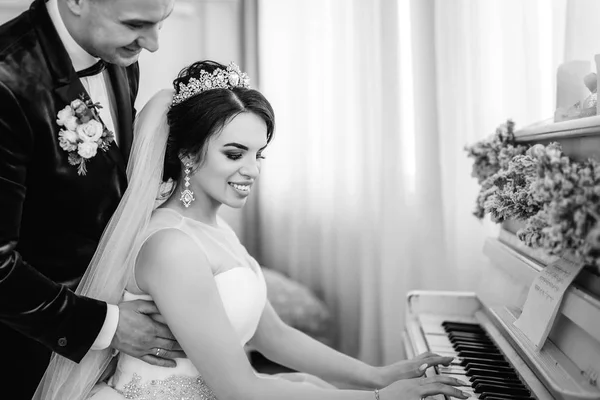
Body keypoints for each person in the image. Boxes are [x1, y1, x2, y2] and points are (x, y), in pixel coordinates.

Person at [34, 60, 472, 400]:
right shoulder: (170, 247)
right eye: (234, 153)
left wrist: (376, 374)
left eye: (259, 154)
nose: (251, 170)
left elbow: (273, 335)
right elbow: (239, 388)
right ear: (187, 154)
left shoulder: (212, 228)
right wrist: (377, 396)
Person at [0, 0, 182, 398]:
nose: (152, 45)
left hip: (98, 355)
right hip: (17, 354)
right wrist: (107, 326)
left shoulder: (119, 56)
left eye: (160, 24)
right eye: (136, 24)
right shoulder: (5, 80)